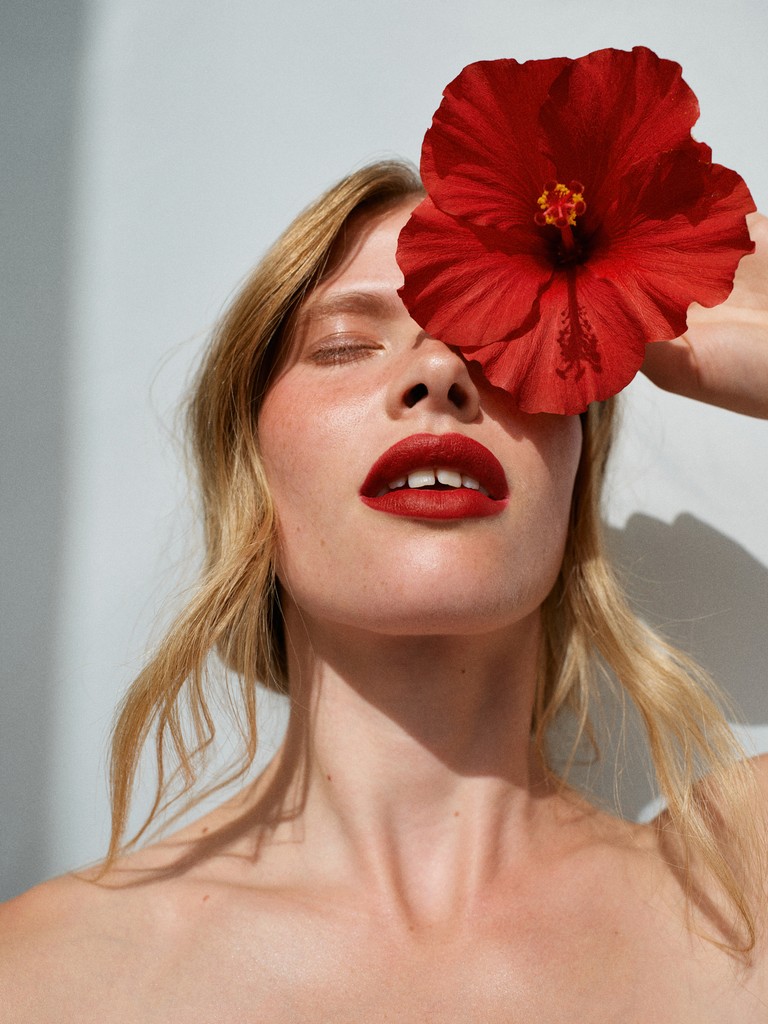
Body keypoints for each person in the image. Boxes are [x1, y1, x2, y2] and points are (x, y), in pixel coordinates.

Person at [1, 155, 768, 1021]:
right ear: (253, 469)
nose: (438, 372)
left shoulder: (744, 896)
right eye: (343, 345)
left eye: (500, 341)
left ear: (574, 470)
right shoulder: (43, 977)